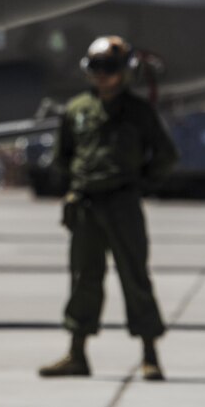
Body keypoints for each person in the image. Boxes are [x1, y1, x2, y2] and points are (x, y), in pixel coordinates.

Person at [39, 36, 178, 381]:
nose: (102, 74)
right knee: (83, 279)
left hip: (122, 204)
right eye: (97, 67)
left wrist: (139, 183)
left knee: (135, 277)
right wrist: (75, 186)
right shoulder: (77, 109)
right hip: (86, 205)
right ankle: (77, 354)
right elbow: (62, 157)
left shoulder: (139, 112)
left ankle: (150, 355)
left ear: (125, 71)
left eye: (109, 68)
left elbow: (165, 155)